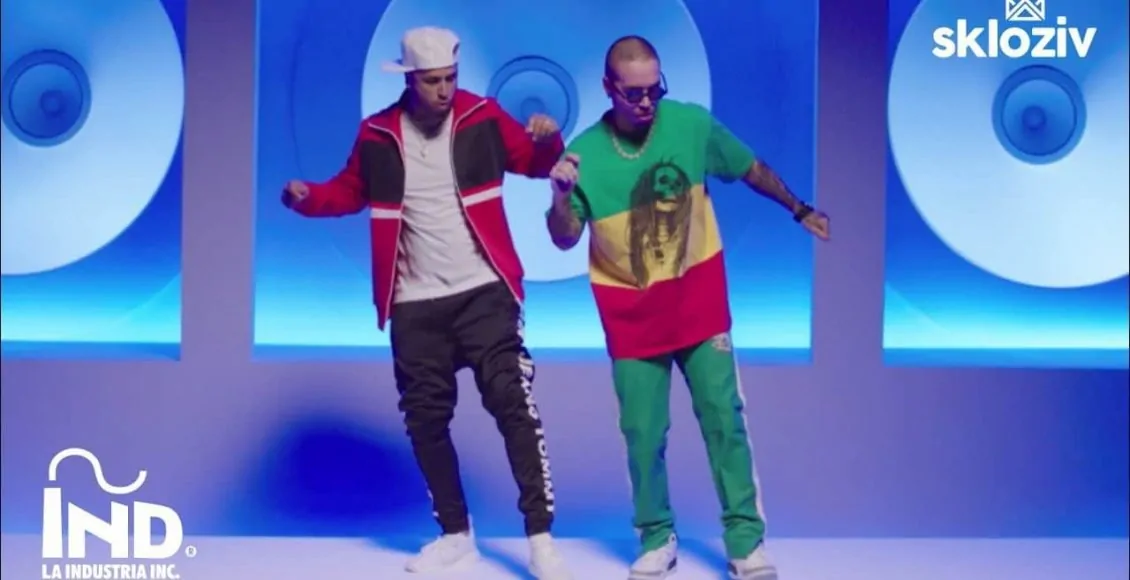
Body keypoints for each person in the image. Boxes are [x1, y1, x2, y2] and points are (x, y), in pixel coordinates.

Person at [281, 26, 572, 580]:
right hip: (414, 301)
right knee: (425, 420)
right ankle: (456, 536)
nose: (444, 91)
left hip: (483, 291)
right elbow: (349, 191)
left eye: (451, 79)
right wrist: (308, 198)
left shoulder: (483, 117)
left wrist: (548, 139)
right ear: (410, 80)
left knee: (513, 404)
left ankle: (541, 538)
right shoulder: (378, 134)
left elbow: (536, 163)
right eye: (433, 81)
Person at [545, 36, 831, 580]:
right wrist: (560, 196)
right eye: (633, 93)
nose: (646, 102)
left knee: (725, 421)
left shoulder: (692, 125)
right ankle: (656, 536)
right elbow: (563, 238)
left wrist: (799, 209)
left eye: (654, 90)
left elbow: (749, 167)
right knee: (642, 434)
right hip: (632, 319)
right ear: (608, 88)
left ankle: (745, 540)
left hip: (699, 307)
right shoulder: (584, 155)